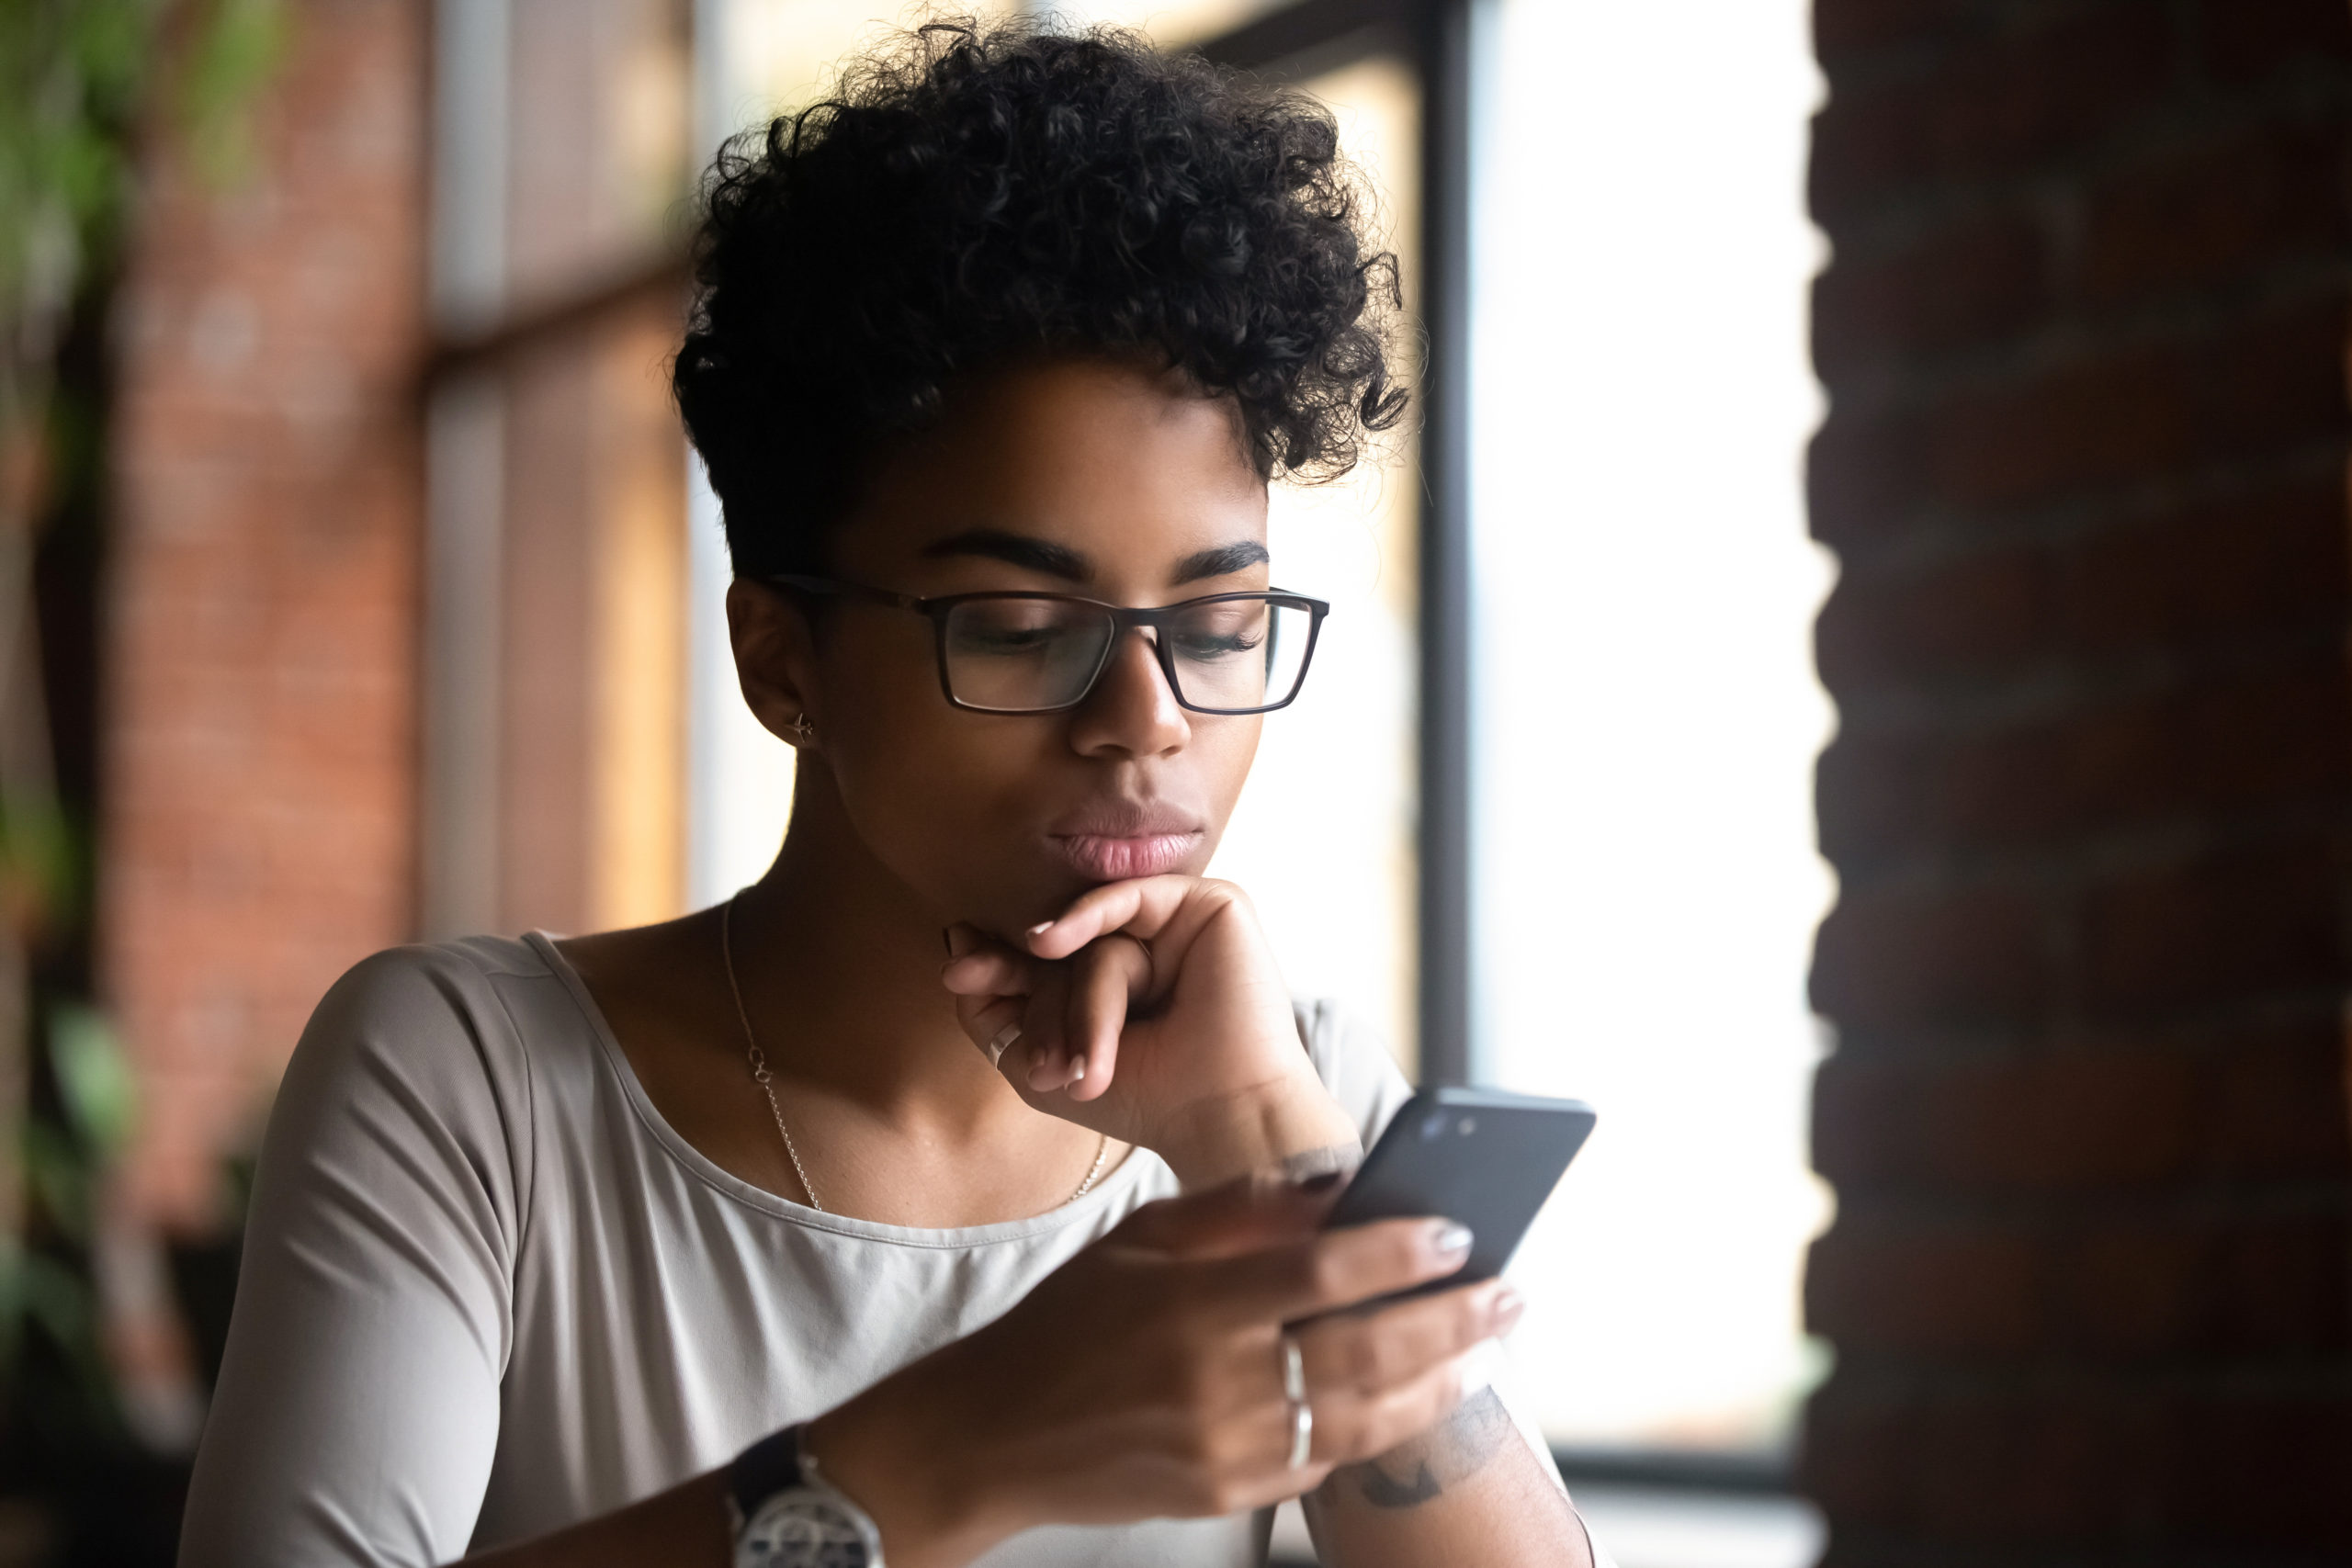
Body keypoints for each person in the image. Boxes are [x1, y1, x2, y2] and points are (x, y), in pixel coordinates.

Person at [178, 20, 1604, 1568]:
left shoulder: (1288, 1080)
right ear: (783, 660)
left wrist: (1263, 1134)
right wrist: (965, 1443)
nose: (1149, 723)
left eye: (1215, 628)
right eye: (1021, 627)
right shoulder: (477, 1089)